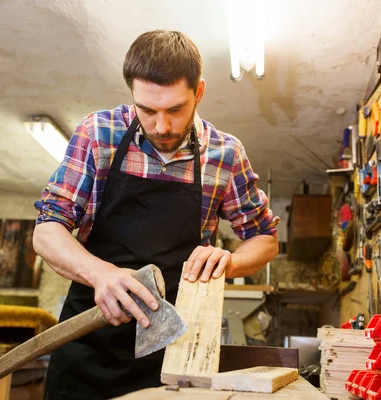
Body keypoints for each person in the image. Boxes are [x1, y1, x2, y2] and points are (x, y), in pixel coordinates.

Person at [33, 29, 279, 400]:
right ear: (132, 94)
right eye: (147, 110)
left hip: (174, 356)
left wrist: (229, 261)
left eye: (175, 110)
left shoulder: (225, 154)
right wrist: (101, 274)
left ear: (198, 92)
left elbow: (265, 238)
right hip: (87, 348)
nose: (162, 127)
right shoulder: (99, 134)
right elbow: (47, 231)